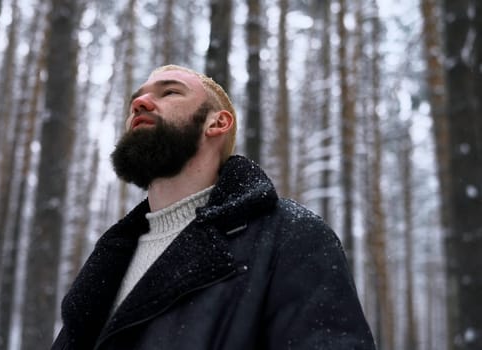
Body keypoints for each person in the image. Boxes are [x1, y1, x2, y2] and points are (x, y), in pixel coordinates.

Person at [51, 65, 375, 350]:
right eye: (138, 97)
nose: (140, 103)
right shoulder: (113, 255)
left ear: (217, 122)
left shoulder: (288, 236)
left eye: (170, 92)